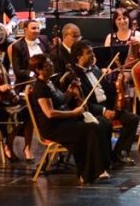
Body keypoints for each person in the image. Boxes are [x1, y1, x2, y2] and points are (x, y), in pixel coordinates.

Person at [28, 54, 109, 183]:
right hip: (53, 128)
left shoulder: (49, 83)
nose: (52, 66)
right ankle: (91, 171)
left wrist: (70, 92)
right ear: (39, 70)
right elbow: (50, 113)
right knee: (90, 128)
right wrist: (73, 113)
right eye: (47, 65)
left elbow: (61, 100)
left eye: (51, 63)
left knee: (100, 123)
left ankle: (99, 166)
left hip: (63, 122)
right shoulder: (40, 88)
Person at [67, 40, 138, 166]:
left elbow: (109, 90)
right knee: (105, 124)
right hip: (92, 111)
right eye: (89, 53)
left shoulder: (95, 70)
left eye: (92, 52)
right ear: (79, 57)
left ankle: (118, 153)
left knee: (132, 119)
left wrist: (120, 82)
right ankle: (106, 158)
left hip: (108, 107)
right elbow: (84, 103)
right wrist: (103, 111)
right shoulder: (74, 76)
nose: (93, 55)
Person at [10, 18, 50, 84]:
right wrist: (32, 74)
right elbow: (17, 70)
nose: (37, 31)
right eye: (33, 28)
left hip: (46, 76)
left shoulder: (44, 39)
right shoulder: (18, 46)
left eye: (38, 28)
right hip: (29, 80)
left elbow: (51, 57)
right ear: (25, 30)